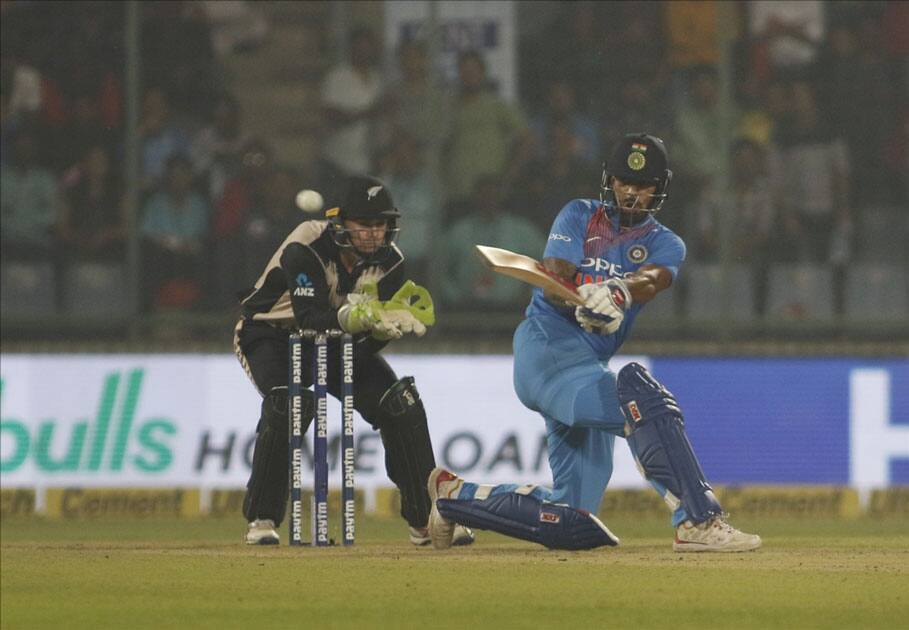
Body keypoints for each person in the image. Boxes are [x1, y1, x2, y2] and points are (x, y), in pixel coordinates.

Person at [426, 134, 761, 553]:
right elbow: (553, 279)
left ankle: (455, 499)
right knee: (644, 401)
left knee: (570, 516)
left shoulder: (666, 242)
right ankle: (697, 520)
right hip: (546, 351)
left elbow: (653, 279)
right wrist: (582, 300)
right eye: (624, 181)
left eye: (643, 185)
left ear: (660, 188)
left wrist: (619, 291)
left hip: (587, 364)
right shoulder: (580, 214)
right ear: (610, 180)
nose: (631, 192)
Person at [235, 174, 474, 547]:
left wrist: (379, 333)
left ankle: (425, 519)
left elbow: (359, 351)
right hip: (273, 335)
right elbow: (311, 317)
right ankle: (262, 517)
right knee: (290, 403)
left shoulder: (392, 265)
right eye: (363, 224)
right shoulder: (306, 245)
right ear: (340, 221)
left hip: (335, 345)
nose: (373, 234)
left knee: (400, 404)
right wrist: (354, 318)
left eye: (380, 225)